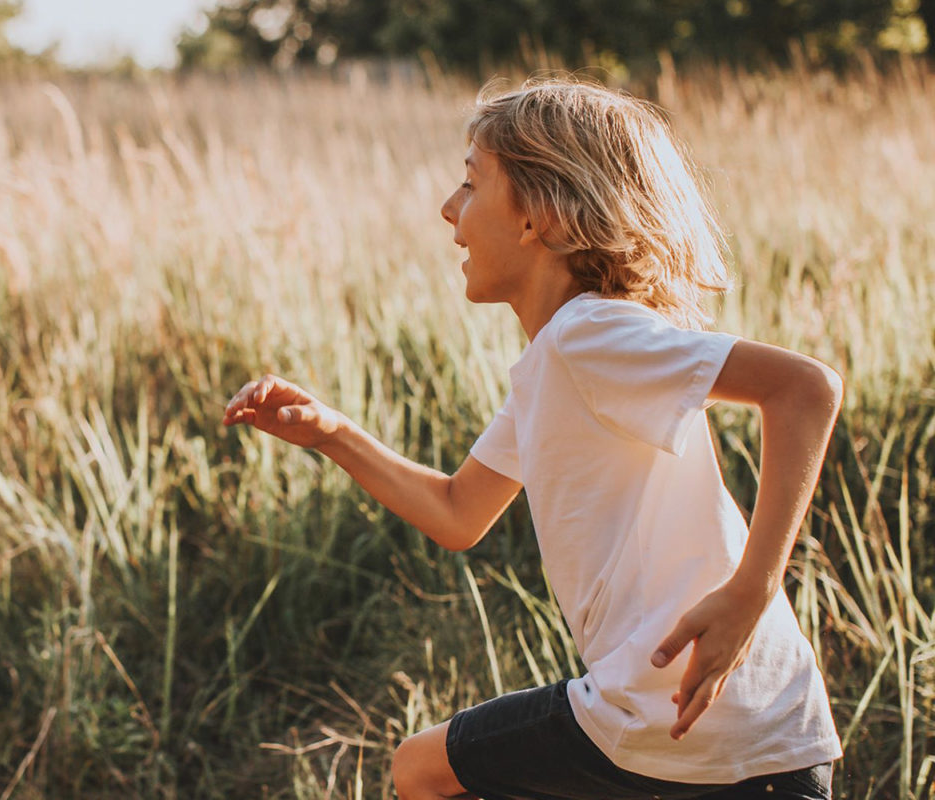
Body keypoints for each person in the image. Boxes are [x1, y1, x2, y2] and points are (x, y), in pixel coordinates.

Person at [221, 77, 843, 800]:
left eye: (470, 184)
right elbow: (459, 511)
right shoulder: (558, 359)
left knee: (420, 770)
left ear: (535, 219)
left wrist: (751, 592)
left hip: (682, 724)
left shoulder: (590, 335)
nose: (449, 210)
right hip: (739, 734)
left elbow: (806, 388)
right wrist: (331, 433)